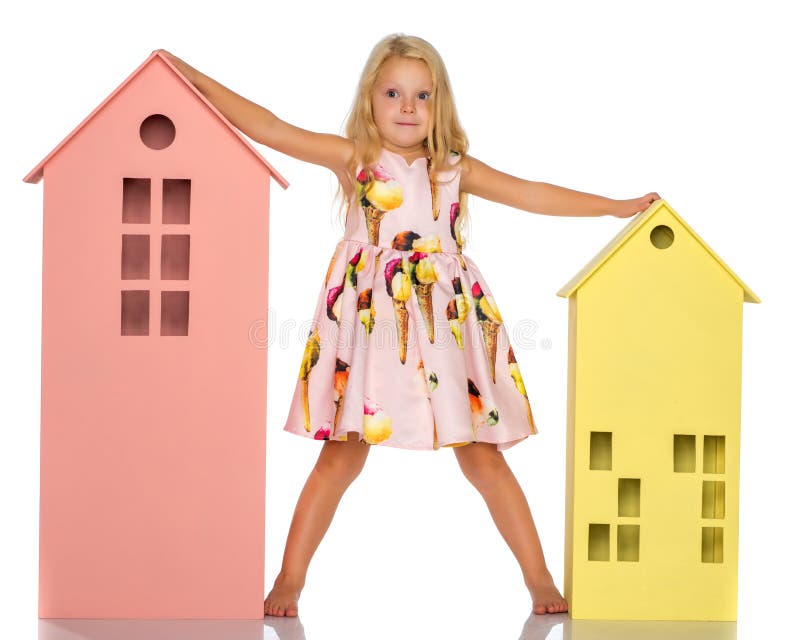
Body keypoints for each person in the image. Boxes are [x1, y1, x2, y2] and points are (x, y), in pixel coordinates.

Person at [155, 35, 659, 619]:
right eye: (393, 92)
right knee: (340, 456)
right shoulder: (355, 159)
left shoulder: (453, 170)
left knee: (483, 457)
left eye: (422, 95)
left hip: (446, 322)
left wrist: (613, 206)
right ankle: (290, 580)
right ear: (370, 97)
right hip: (371, 324)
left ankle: (539, 578)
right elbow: (267, 125)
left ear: (440, 104)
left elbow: (531, 194)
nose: (408, 107)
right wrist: (186, 73)